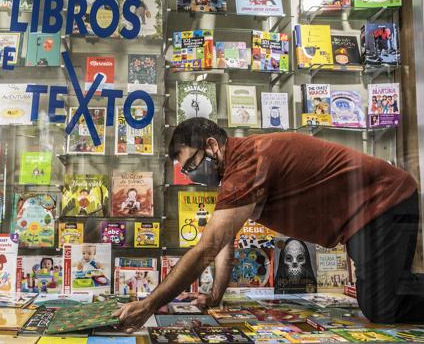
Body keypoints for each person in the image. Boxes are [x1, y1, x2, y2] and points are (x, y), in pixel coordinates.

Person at [115, 117, 422, 329]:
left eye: (192, 164)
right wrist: (215, 295)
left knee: (383, 306)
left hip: (384, 201)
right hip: (361, 220)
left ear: (211, 146)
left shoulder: (248, 163)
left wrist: (149, 304)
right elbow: (223, 243)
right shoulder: (237, 170)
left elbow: (206, 249)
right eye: (186, 171)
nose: (192, 175)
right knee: (378, 297)